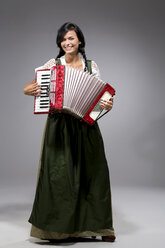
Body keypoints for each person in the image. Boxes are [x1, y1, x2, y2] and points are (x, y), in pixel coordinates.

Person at [24, 22, 115, 242]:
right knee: (58, 177)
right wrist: (28, 90)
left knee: (93, 175)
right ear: (60, 43)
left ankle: (100, 227)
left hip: (85, 126)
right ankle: (57, 229)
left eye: (71, 38)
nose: (67, 43)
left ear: (80, 41)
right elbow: (31, 86)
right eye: (63, 39)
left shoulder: (91, 67)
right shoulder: (52, 65)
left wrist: (107, 103)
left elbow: (100, 98)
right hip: (59, 126)